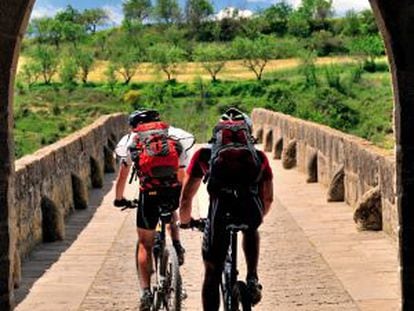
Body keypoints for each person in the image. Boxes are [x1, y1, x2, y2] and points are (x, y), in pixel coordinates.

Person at [179, 108, 274, 310]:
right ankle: (252, 278)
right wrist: (258, 217)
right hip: (250, 211)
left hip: (219, 215)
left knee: (212, 272)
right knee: (251, 229)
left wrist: (185, 222)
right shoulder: (258, 157)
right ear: (248, 134)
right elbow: (268, 197)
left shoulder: (204, 155)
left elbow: (186, 198)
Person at [113, 109, 195, 311]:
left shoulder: (131, 141)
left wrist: (119, 199)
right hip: (172, 193)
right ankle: (176, 246)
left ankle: (146, 293)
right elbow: (182, 172)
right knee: (170, 210)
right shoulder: (176, 136)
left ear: (134, 126)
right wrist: (180, 195)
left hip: (148, 196)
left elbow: (123, 176)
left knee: (144, 243)